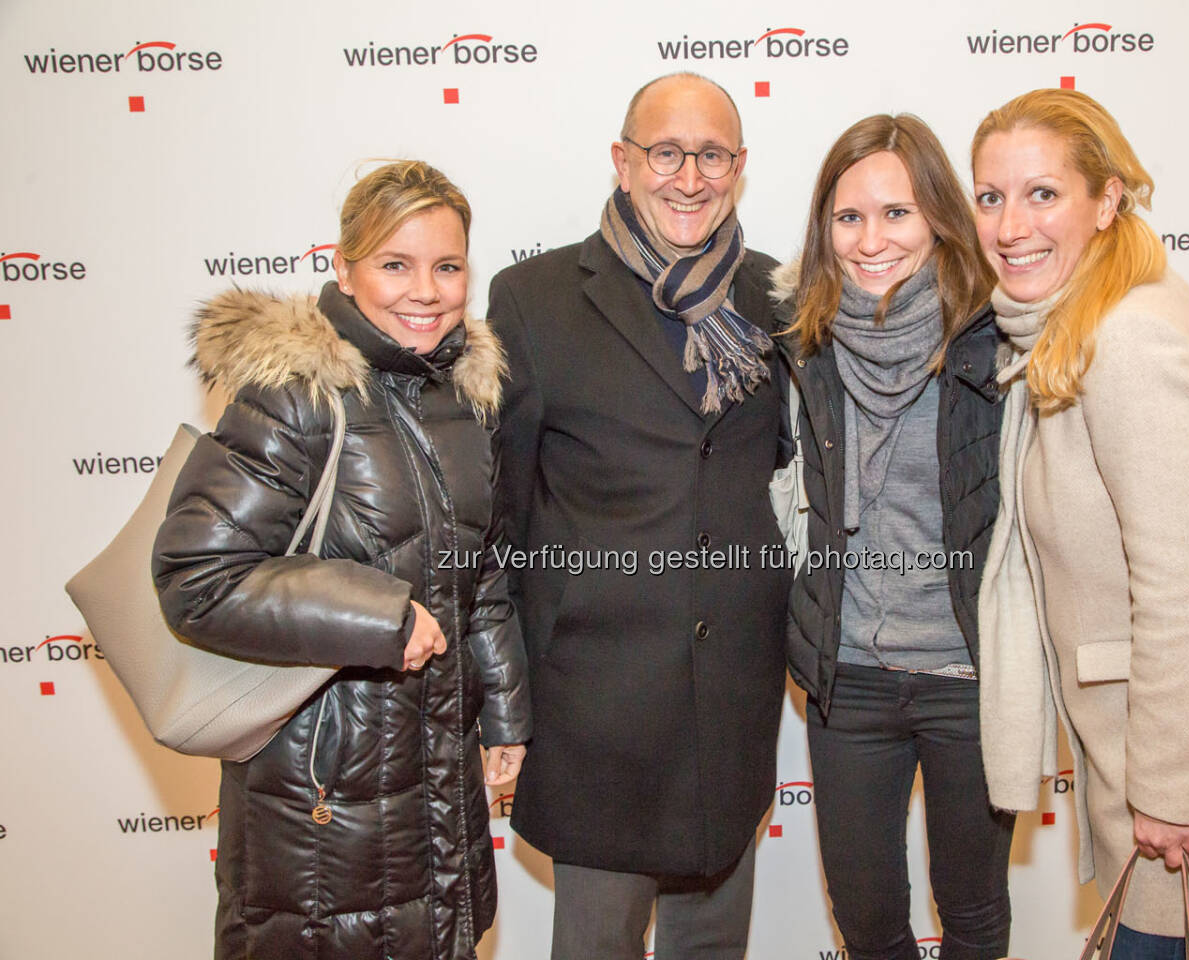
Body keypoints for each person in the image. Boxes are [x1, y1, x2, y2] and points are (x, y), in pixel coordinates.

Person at [969, 88, 1189, 959]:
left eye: (1043, 194)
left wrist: (1170, 791)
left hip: (1185, 771)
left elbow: (1184, 588)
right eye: (991, 197)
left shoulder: (1124, 337)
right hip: (1158, 741)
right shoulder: (1086, 316)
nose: (1011, 224)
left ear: (1108, 199)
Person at [152, 160, 530, 960]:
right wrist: (380, 617)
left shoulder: (463, 393)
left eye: (448, 266)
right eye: (396, 264)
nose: (425, 290)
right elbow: (196, 577)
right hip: (319, 788)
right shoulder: (297, 392)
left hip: (436, 777)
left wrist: (505, 713)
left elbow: (483, 573)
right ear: (344, 267)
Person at [486, 73, 790, 960]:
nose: (689, 178)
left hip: (731, 695)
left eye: (712, 156)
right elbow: (503, 518)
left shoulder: (778, 297)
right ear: (624, 162)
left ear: (739, 167)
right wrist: (501, 696)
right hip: (595, 708)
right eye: (666, 153)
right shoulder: (532, 300)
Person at [773, 114, 1014, 960]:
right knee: (869, 925)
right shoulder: (802, 347)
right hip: (852, 680)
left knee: (975, 918)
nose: (871, 239)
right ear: (824, 230)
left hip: (970, 676)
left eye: (897, 214)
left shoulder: (998, 340)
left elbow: (1103, 458)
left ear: (940, 219)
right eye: (849, 218)